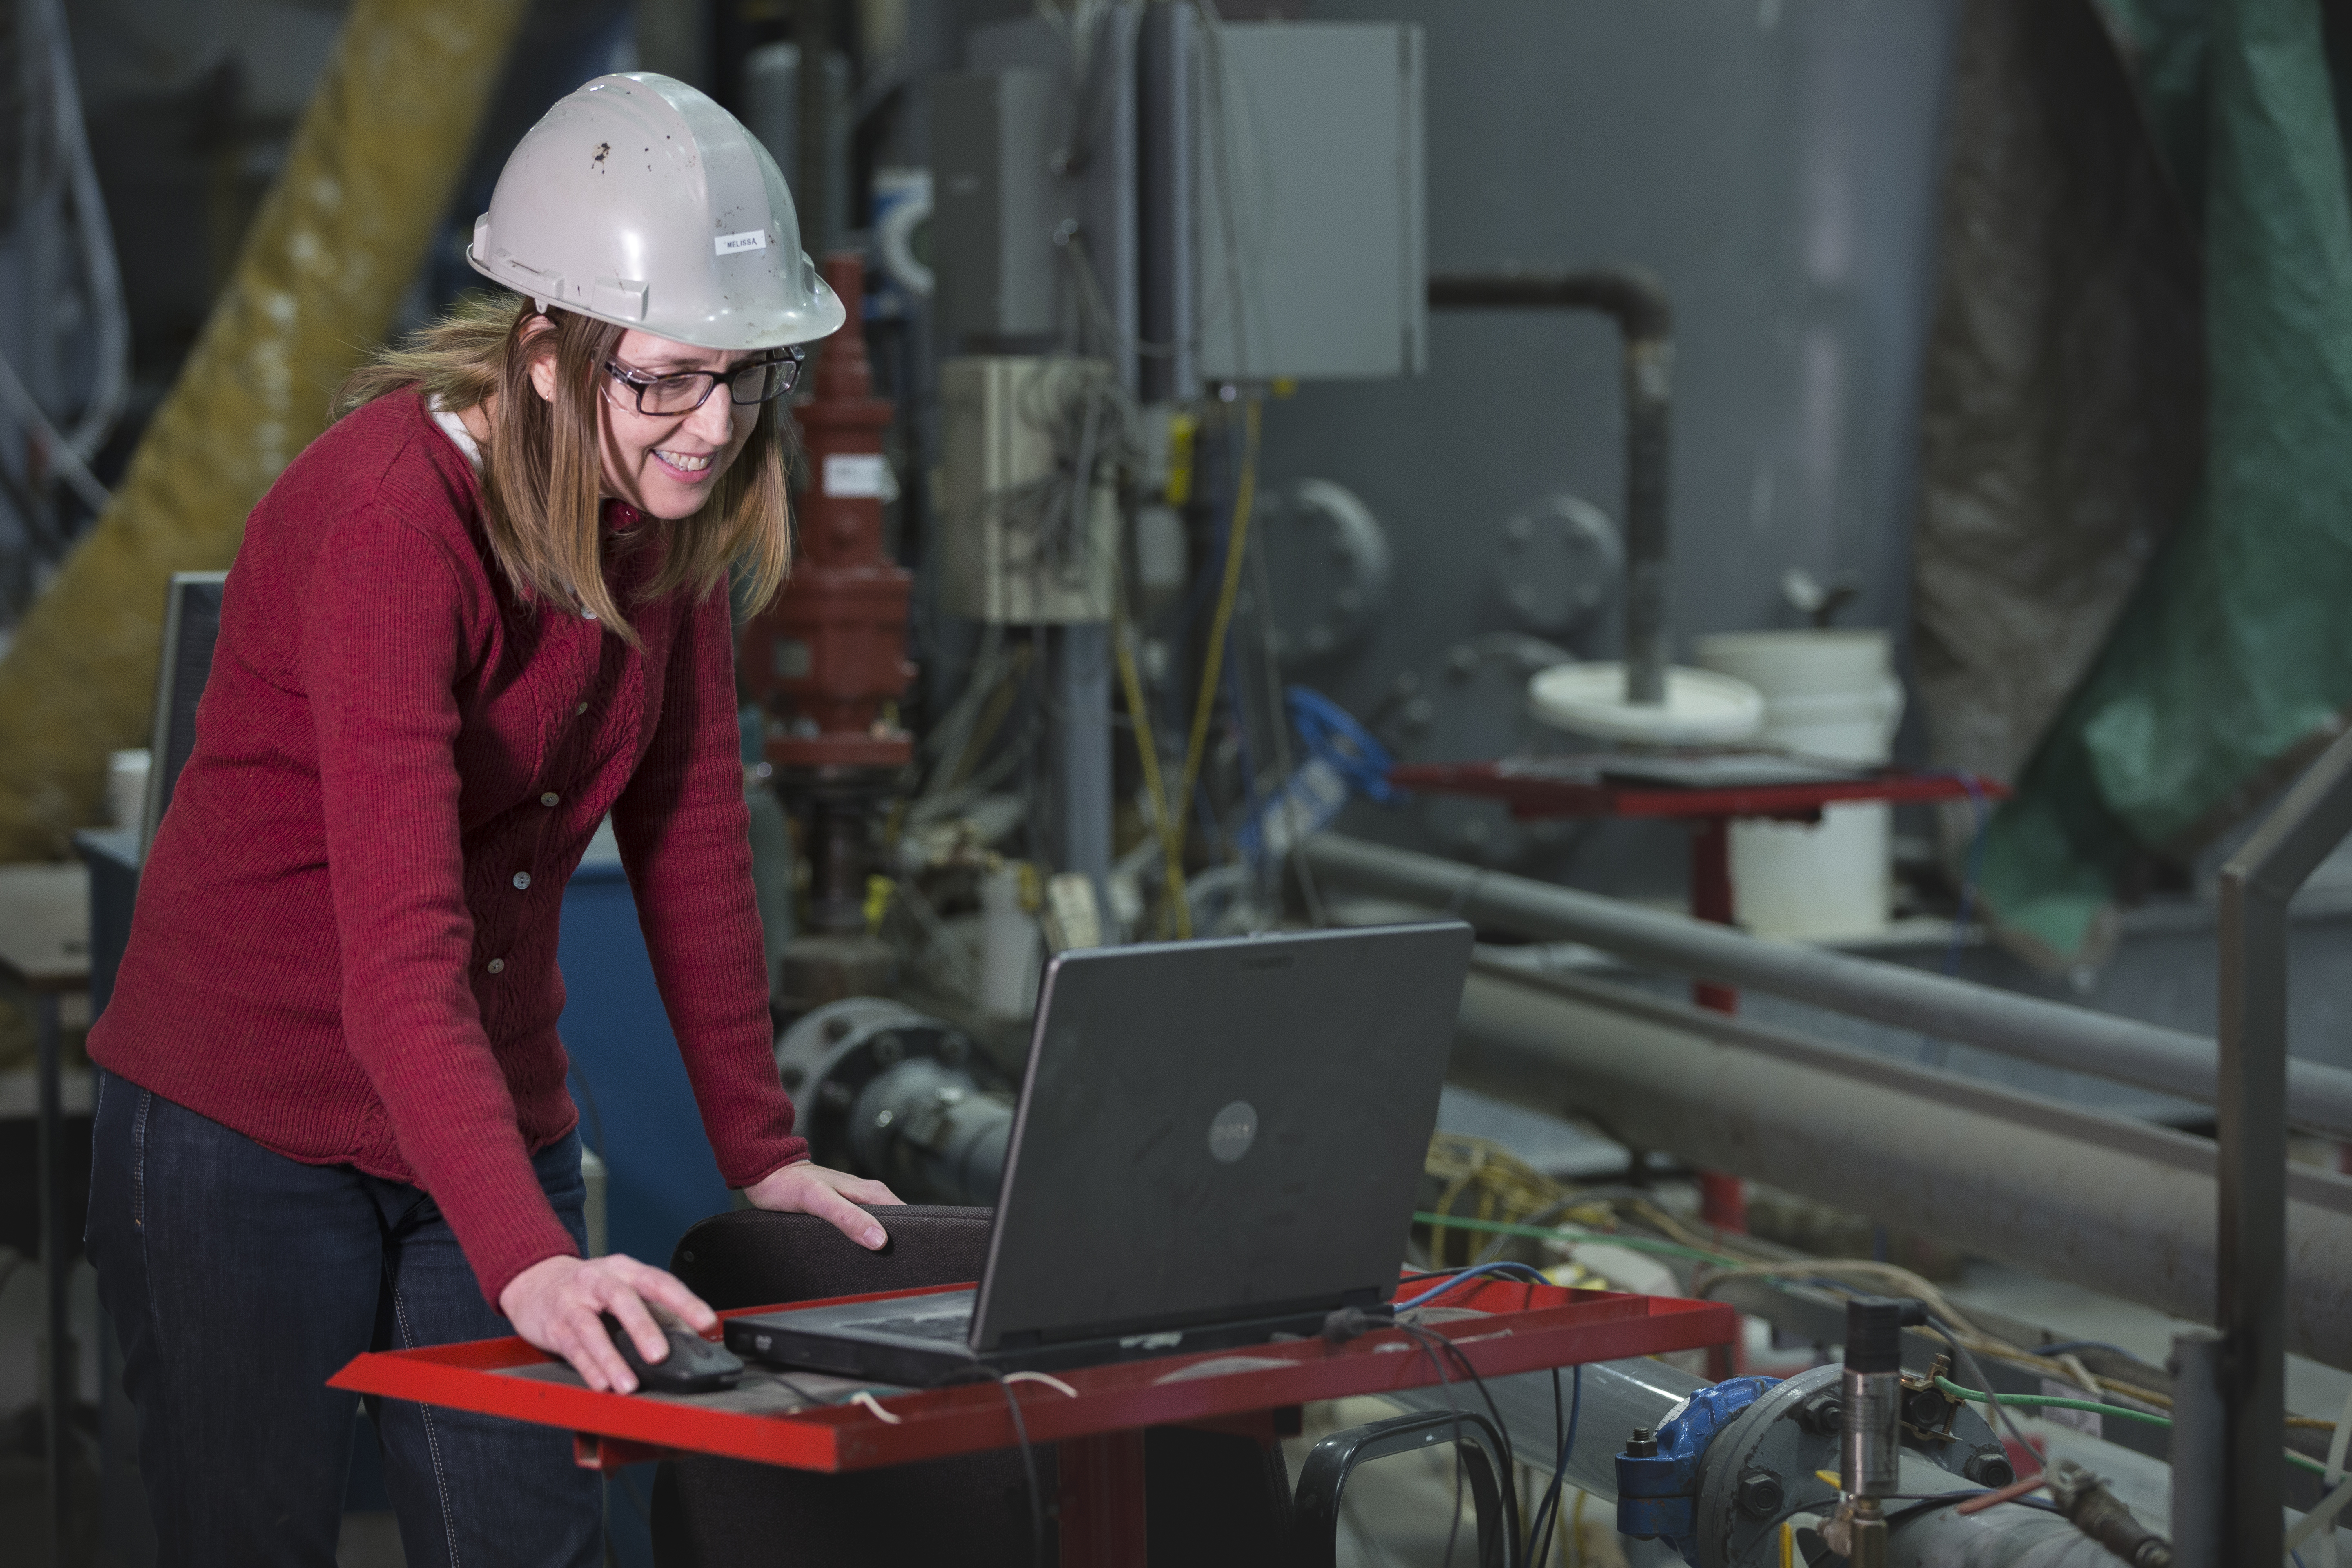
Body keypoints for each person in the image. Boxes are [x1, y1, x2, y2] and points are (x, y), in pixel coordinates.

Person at [80, 74, 898, 1566]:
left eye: (742, 377)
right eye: (664, 379)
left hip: (482, 1114)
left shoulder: (671, 505)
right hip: (245, 1128)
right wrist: (533, 1255)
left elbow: (694, 830)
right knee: (247, 1535)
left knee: (536, 1535)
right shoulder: (394, 521)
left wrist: (761, 1151)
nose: (710, 430)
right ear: (543, 350)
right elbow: (402, 946)